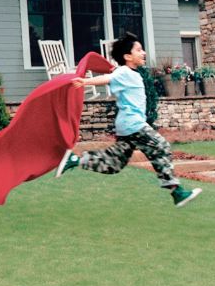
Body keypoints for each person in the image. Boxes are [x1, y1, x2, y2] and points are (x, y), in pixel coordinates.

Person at [54, 33, 202, 207]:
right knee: (161, 145)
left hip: (127, 126)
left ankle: (76, 160)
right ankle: (176, 192)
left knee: (115, 163)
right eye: (138, 50)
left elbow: (112, 75)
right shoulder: (123, 72)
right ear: (127, 56)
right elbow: (108, 78)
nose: (143, 53)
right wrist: (86, 82)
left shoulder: (129, 72)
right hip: (134, 125)